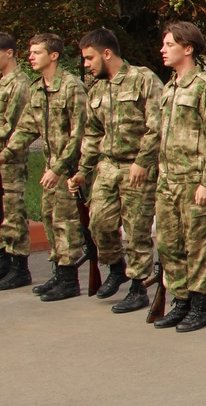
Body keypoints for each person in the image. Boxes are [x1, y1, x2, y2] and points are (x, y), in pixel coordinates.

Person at [68, 29, 163, 313]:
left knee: (136, 231)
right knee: (99, 223)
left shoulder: (143, 79)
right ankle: (117, 267)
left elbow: (157, 125)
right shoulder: (96, 89)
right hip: (107, 166)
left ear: (106, 53)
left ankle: (138, 286)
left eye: (89, 58)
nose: (86, 64)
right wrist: (83, 171)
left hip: (137, 166)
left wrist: (143, 162)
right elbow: (92, 133)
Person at [0, 34, 87, 301]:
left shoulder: (70, 86)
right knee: (50, 218)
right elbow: (26, 128)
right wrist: (5, 154)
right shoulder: (37, 88)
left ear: (53, 55)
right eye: (30, 52)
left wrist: (58, 168)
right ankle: (59, 272)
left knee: (66, 222)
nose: (30, 57)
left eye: (36, 52)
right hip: (50, 167)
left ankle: (69, 280)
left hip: (68, 169)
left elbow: (79, 133)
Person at [151, 22, 206, 332]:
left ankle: (200, 305)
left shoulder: (205, 86)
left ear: (188, 48)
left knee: (197, 246)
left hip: (193, 180)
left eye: (169, 44)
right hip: (167, 180)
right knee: (168, 243)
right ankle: (180, 300)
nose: (163, 49)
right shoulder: (169, 87)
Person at [0, 33, 32, 290]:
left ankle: (19, 267)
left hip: (9, 159)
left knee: (12, 212)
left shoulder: (20, 84)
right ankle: (1, 262)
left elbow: (10, 126)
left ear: (9, 52)